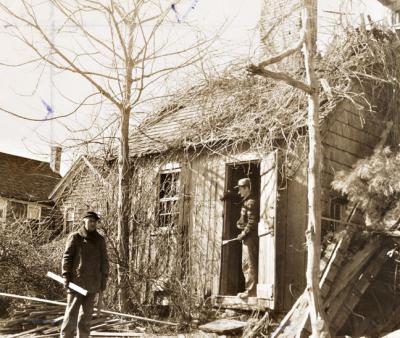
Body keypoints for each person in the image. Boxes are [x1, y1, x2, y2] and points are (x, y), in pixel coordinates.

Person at [60, 211, 109, 338]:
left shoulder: (100, 240)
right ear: (84, 221)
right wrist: (65, 275)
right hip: (77, 283)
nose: (93, 224)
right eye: (90, 221)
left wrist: (103, 281)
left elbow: (105, 261)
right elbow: (67, 257)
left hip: (93, 284)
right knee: (71, 317)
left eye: (95, 221)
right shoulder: (75, 237)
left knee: (86, 319)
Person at [235, 178, 259, 299]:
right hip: (247, 237)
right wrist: (239, 223)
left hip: (250, 238)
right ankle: (249, 290)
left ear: (247, 188)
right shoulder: (246, 202)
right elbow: (245, 220)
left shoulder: (251, 203)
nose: (239, 192)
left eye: (240, 189)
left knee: (250, 264)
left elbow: (252, 223)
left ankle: (251, 292)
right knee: (246, 264)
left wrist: (243, 234)